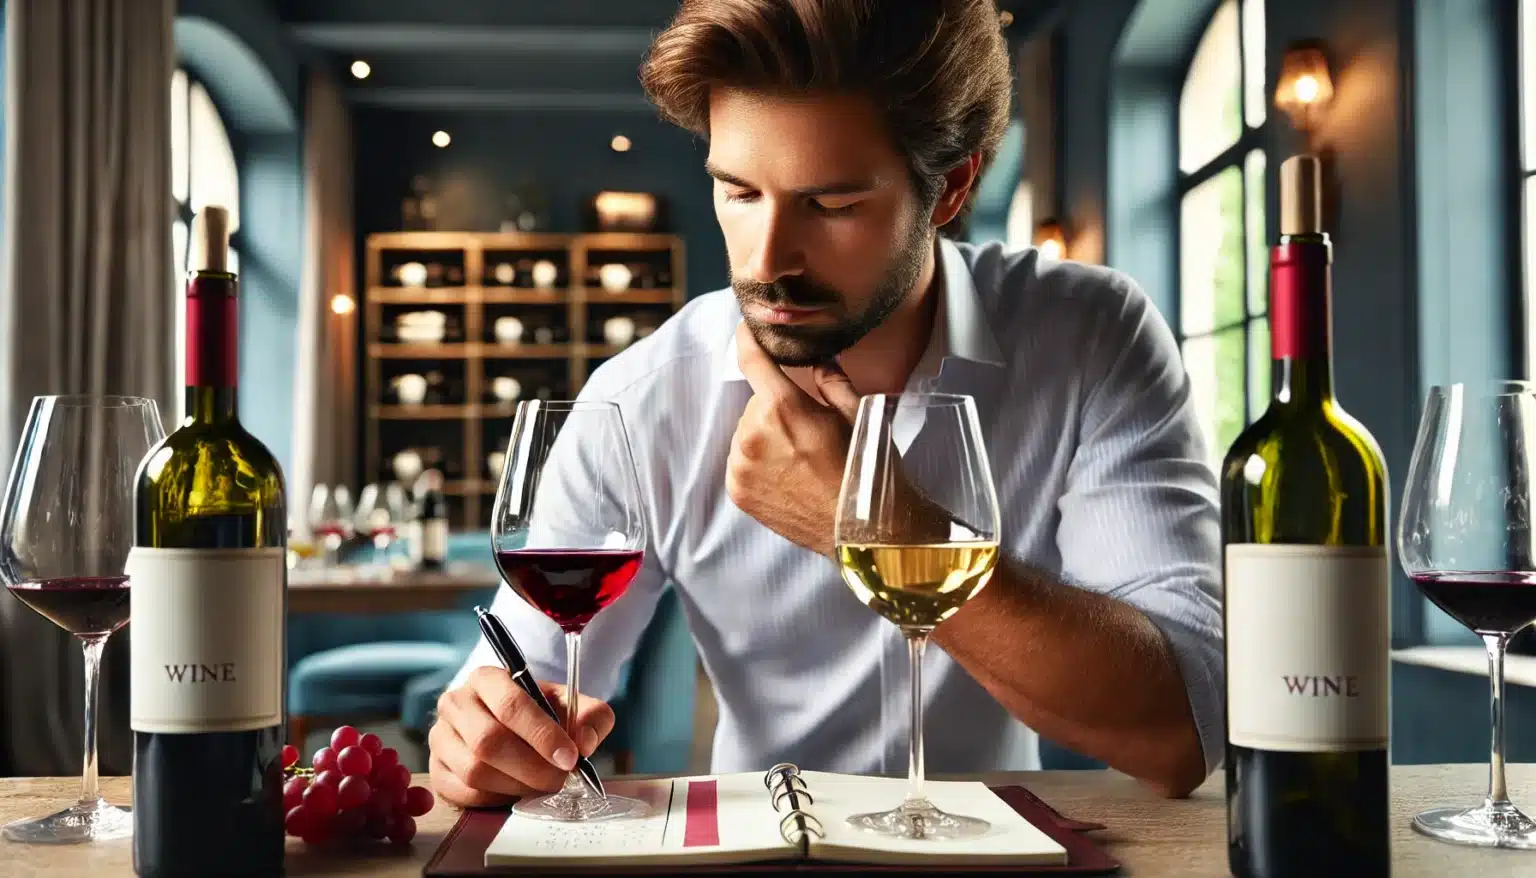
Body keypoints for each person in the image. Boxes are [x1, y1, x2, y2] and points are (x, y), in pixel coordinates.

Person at [428, 0, 1223, 808]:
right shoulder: (639, 402)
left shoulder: (1090, 336)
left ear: (951, 187)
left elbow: (1184, 731)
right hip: (750, 853)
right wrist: (480, 739)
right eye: (738, 193)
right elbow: (517, 684)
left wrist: (874, 526)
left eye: (831, 205)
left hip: (992, 854)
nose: (768, 260)